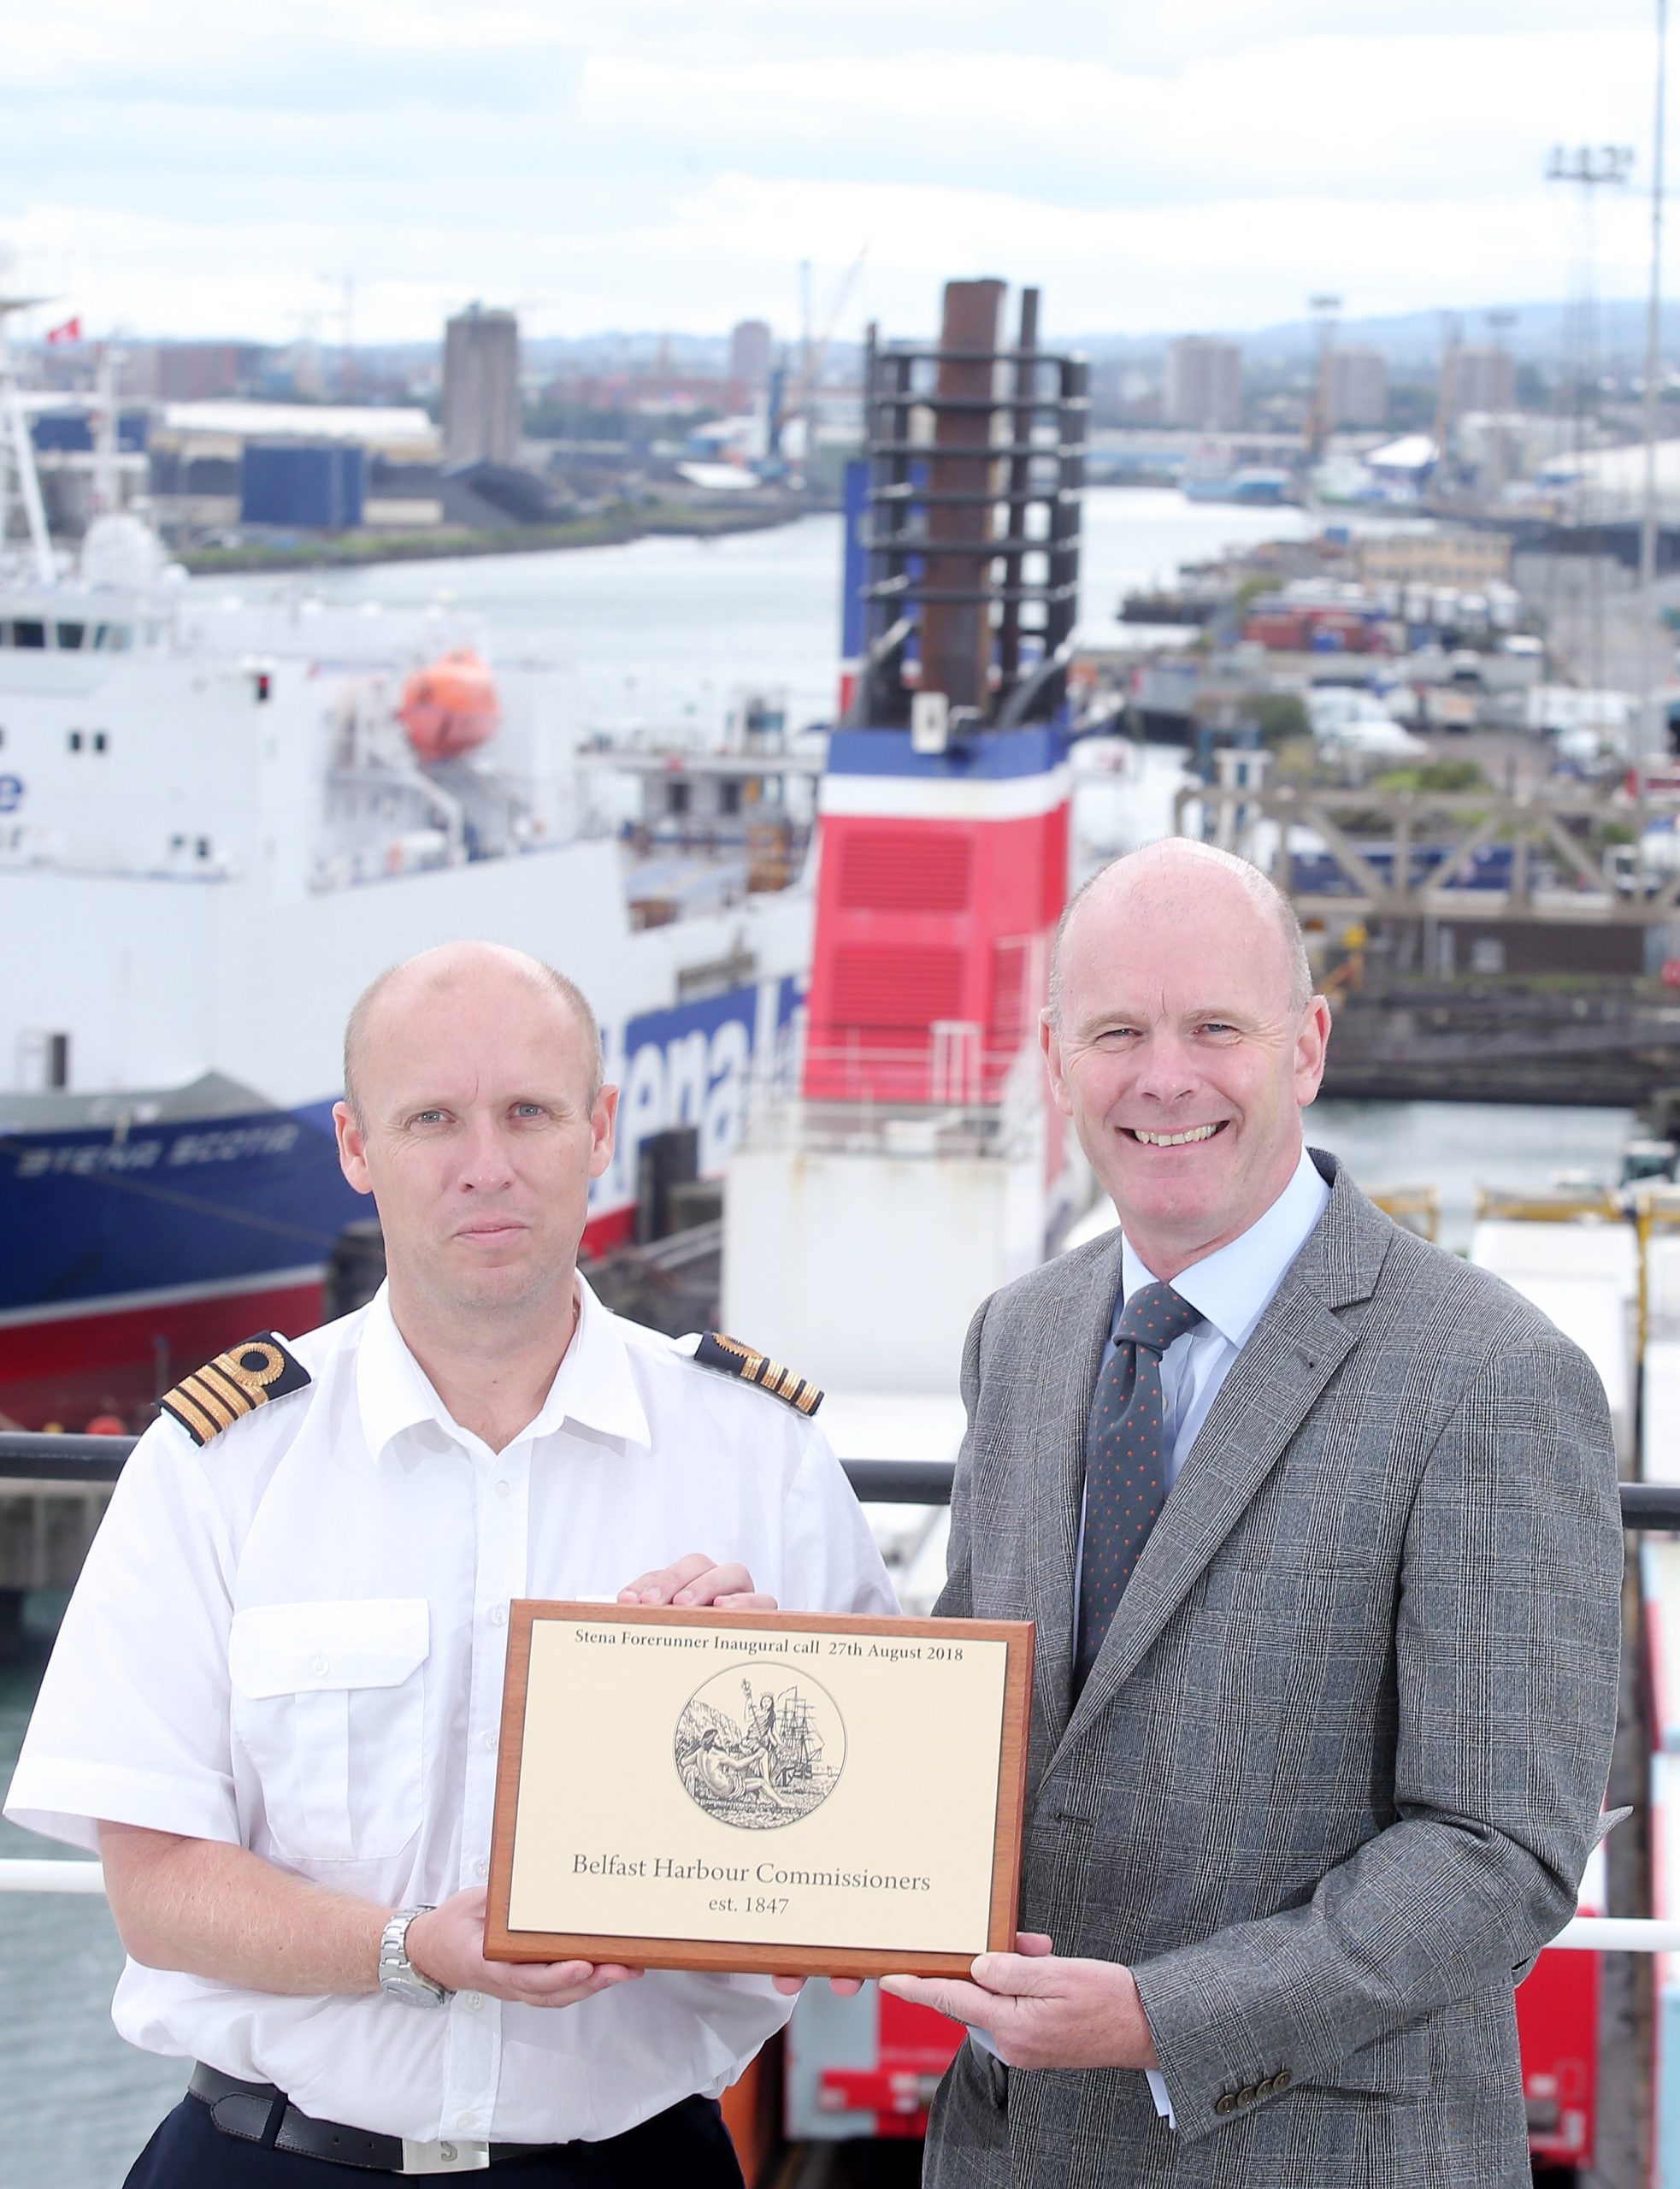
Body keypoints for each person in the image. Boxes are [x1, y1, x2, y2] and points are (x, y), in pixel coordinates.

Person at [7, 941, 895, 2186]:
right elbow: (153, 1887)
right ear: (356, 1147)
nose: (486, 1165)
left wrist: (766, 1701)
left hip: (630, 2162)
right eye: (432, 1119)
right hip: (271, 2159)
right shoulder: (220, 1466)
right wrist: (411, 1947)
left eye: (528, 1112)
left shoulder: (762, 1460)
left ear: (599, 1129)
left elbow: (868, 1880)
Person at [883, 841, 1623, 2188]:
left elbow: (1496, 1854)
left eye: (1215, 1027)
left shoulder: (1493, 1376)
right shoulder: (1024, 1336)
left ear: (1306, 1045)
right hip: (1007, 2154)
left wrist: (1163, 2022)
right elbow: (971, 1726)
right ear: (1054, 1061)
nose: (1164, 1077)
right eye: (1117, 1033)